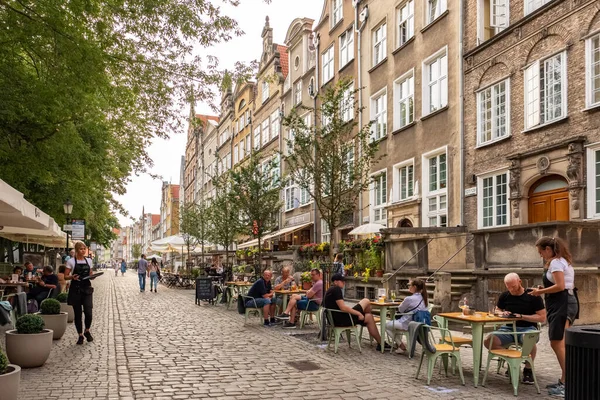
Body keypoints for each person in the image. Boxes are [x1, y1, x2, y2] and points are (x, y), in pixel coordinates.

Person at [531, 237, 578, 397]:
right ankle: (565, 380)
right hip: (563, 303)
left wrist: (540, 292)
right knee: (560, 343)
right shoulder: (562, 261)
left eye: (541, 252)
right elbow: (559, 284)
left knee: (557, 343)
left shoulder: (556, 263)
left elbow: (560, 286)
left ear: (548, 250)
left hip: (563, 304)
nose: (540, 255)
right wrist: (544, 288)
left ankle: (569, 383)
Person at [484, 273, 546, 384]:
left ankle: (528, 369)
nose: (511, 289)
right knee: (489, 341)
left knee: (529, 339)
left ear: (520, 282)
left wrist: (522, 316)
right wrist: (502, 312)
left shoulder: (533, 296)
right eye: (508, 287)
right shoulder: (505, 296)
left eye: (513, 286)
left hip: (527, 328)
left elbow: (542, 317)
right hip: (508, 329)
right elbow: (497, 310)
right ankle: (511, 361)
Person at [323, 274, 390, 351]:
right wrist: (358, 313)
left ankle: (380, 342)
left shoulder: (330, 290)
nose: (344, 283)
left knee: (368, 315)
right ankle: (380, 342)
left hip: (336, 319)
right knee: (366, 302)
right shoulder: (336, 290)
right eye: (342, 281)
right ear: (335, 282)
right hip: (341, 320)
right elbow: (343, 307)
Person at [385, 279, 429, 354]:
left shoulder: (409, 299)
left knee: (387, 326)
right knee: (394, 324)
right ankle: (398, 344)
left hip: (407, 324)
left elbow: (400, 309)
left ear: (414, 287)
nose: (409, 287)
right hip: (419, 324)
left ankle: (401, 345)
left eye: (410, 285)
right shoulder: (424, 299)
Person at [65, 241, 95, 345]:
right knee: (77, 314)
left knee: (88, 312)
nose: (83, 250)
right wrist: (72, 277)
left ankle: (87, 330)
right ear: (77, 250)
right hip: (76, 288)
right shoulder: (71, 261)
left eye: (84, 249)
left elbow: (90, 273)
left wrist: (92, 275)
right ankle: (80, 335)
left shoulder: (89, 260)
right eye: (81, 249)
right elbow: (66, 276)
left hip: (86, 288)